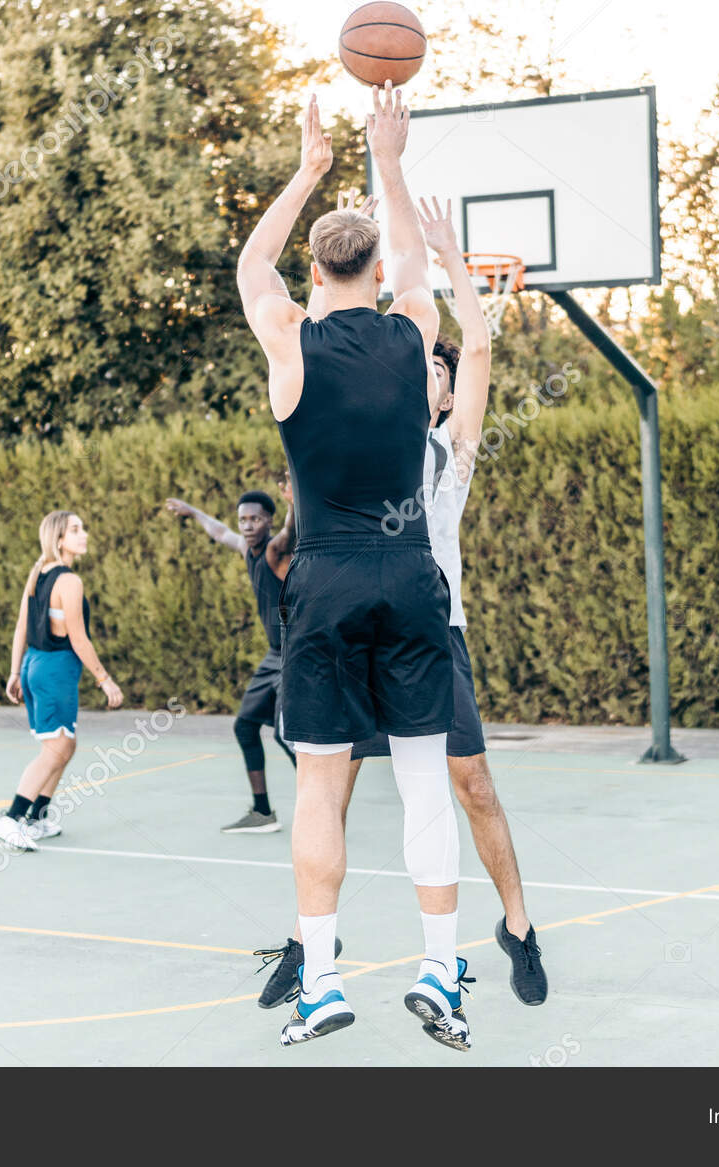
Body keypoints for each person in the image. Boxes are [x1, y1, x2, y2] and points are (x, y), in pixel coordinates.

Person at [254, 196, 548, 1013]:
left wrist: (446, 256)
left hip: (426, 626)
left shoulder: (450, 455)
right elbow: (335, 316)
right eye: (430, 366)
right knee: (331, 784)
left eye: (442, 374)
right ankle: (318, 941)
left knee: (468, 784)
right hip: (375, 603)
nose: (435, 375)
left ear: (443, 391)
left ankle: (515, 928)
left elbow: (476, 342)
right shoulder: (366, 396)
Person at [237, 84, 471, 1049]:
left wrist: (308, 167)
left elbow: (251, 263)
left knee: (320, 786)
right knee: (424, 781)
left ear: (314, 270)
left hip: (324, 579)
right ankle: (440, 969)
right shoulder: (413, 327)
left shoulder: (288, 343)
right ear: (375, 267)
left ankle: (324, 978)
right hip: (411, 573)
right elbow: (417, 264)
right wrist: (392, 155)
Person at [163, 481, 297, 833]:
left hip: (297, 653)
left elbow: (289, 533)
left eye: (256, 519)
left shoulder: (273, 552)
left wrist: (293, 504)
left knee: (287, 733)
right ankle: (263, 812)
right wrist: (193, 512)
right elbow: (220, 532)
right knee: (245, 726)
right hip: (274, 655)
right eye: (244, 520)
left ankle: (322, 806)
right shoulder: (245, 548)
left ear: (267, 521)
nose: (248, 525)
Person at [0, 510, 123, 852]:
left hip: (35, 665)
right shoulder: (70, 581)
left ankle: (37, 818)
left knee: (66, 744)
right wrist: (104, 679)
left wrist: (15, 671)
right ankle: (11, 818)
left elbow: (22, 626)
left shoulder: (38, 572)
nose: (85, 535)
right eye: (76, 530)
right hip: (55, 670)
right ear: (59, 540)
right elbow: (79, 639)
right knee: (56, 749)